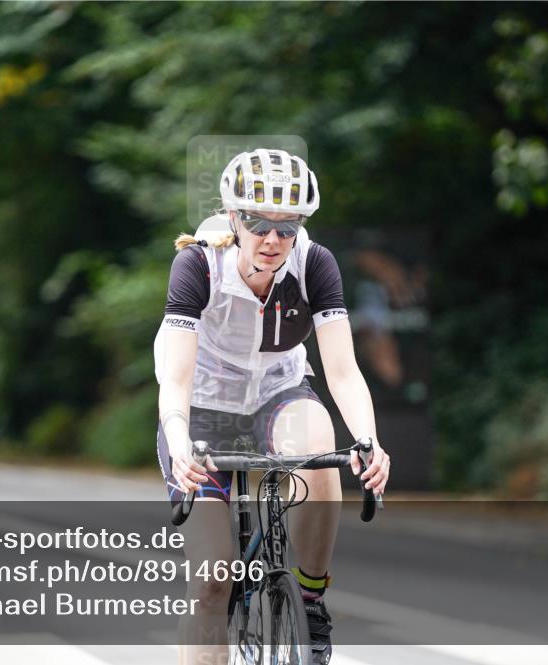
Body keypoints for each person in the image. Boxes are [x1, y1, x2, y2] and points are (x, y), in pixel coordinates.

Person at [154, 149, 391, 665]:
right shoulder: (199, 263)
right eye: (259, 223)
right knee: (213, 584)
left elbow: (343, 370)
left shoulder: (314, 263)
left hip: (276, 395)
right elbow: (174, 379)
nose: (272, 240)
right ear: (235, 217)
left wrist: (369, 440)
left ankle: (309, 601)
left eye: (288, 227)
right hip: (203, 409)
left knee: (319, 445)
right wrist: (178, 445)